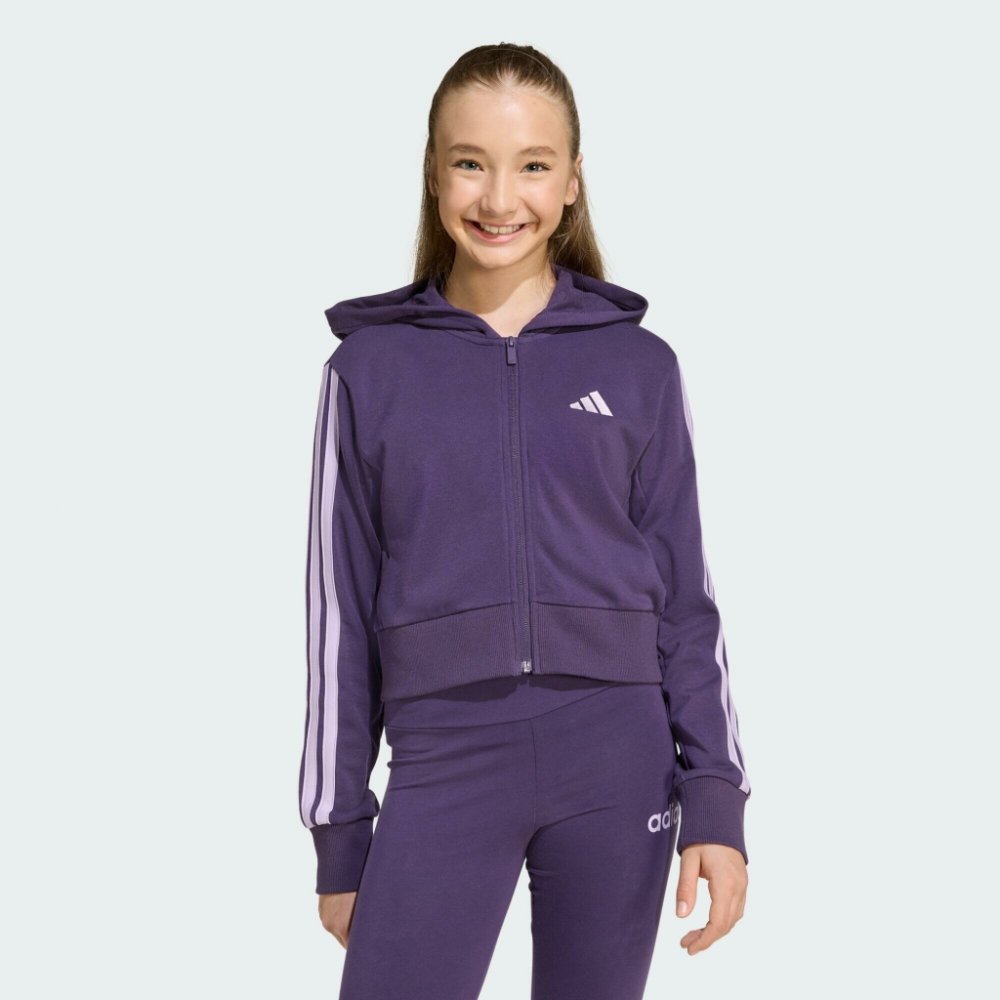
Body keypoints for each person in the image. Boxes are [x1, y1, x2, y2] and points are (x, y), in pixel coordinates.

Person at [298, 42, 751, 1000]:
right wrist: (340, 832)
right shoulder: (367, 373)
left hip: (617, 757)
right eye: (471, 162)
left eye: (533, 165)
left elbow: (686, 600)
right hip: (444, 758)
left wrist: (715, 797)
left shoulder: (639, 366)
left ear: (573, 181)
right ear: (433, 174)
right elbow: (338, 617)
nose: (500, 197)